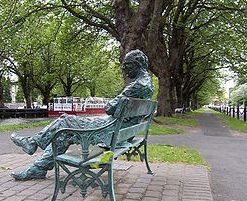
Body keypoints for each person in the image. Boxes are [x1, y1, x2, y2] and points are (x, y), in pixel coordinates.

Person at [11, 49, 154, 180]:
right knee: (63, 132)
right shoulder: (146, 83)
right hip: (122, 130)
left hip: (110, 131)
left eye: (126, 65)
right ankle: (38, 167)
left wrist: (112, 104)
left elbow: (109, 108)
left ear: (136, 64)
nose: (124, 69)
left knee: (64, 120)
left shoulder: (138, 85)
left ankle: (33, 145)